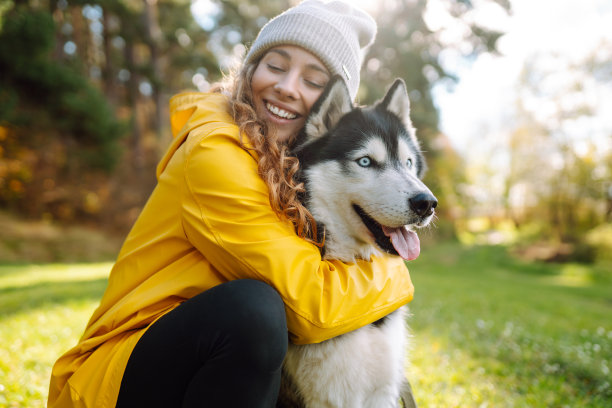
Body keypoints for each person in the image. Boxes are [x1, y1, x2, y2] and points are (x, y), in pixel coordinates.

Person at [47, 1, 415, 407]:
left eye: (312, 80)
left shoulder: (292, 166)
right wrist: (394, 273)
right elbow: (310, 306)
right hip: (117, 381)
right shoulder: (215, 151)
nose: (288, 87)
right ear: (251, 69)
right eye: (275, 66)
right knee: (254, 313)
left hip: (208, 372)